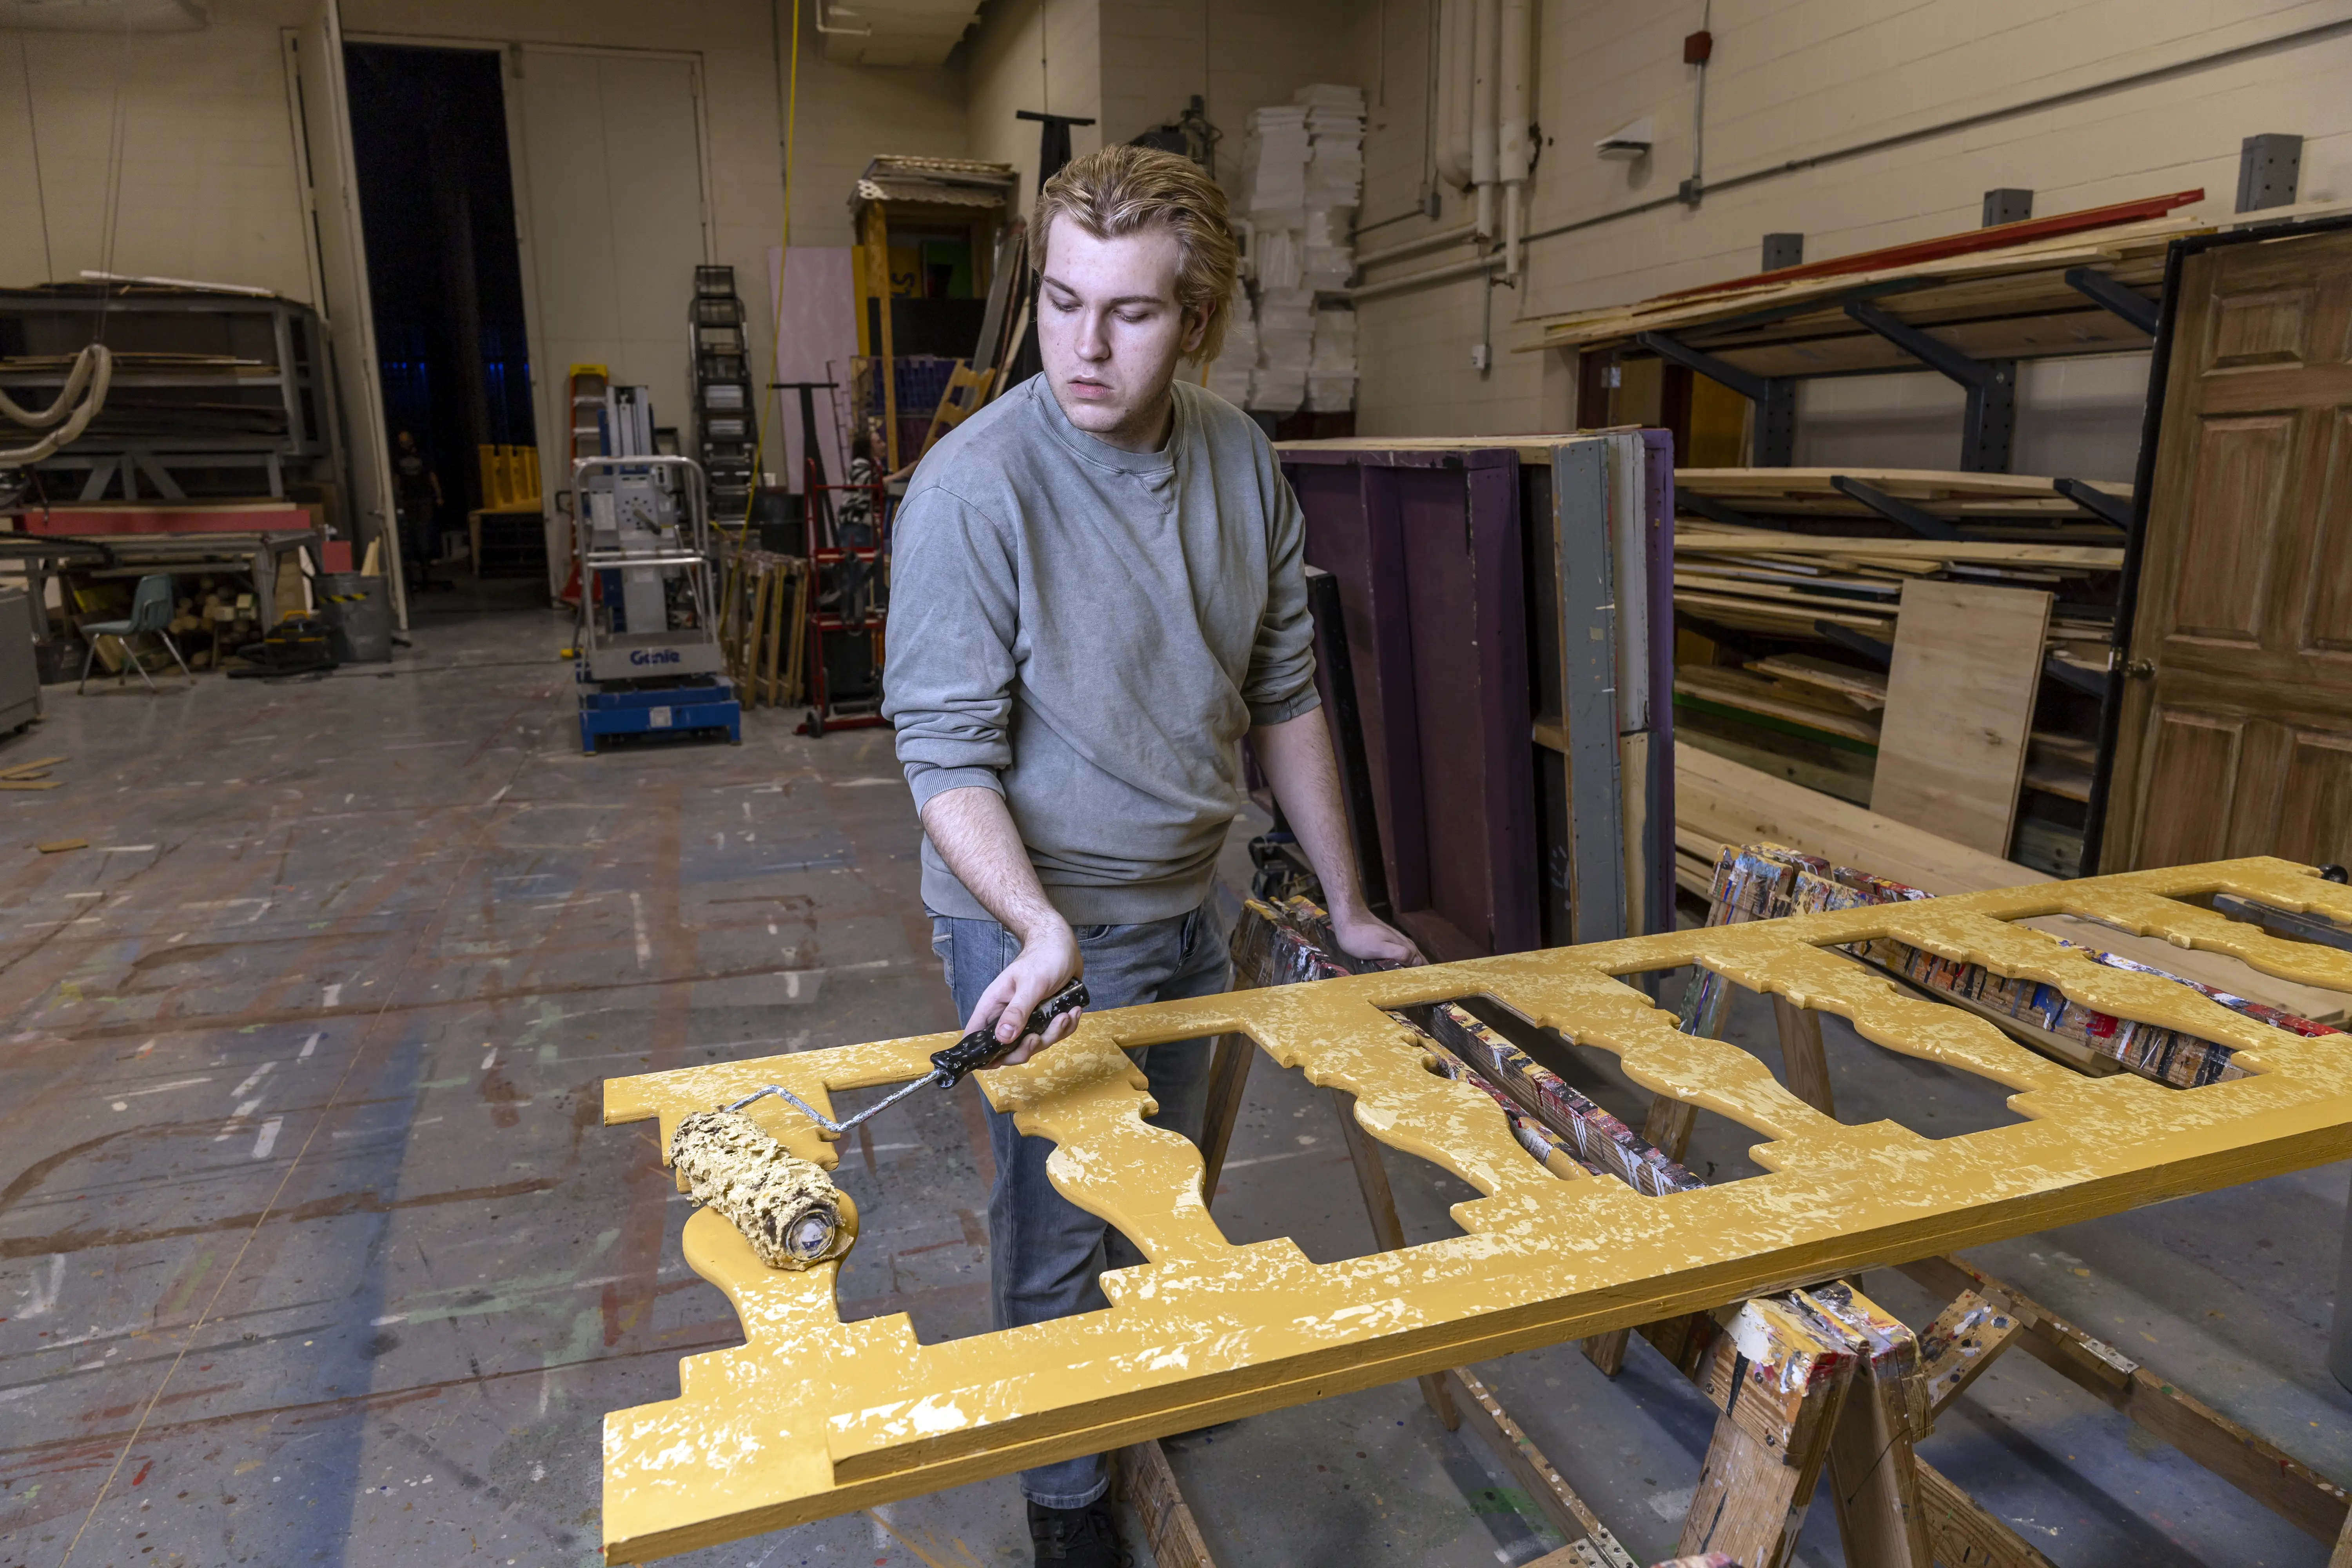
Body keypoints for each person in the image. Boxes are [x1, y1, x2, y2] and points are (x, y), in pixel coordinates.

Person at [882, 145, 1422, 1568]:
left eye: (1127, 312)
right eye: (1061, 304)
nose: (1083, 346)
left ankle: (1131, 1389)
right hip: (1041, 919)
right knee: (1057, 1225)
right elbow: (943, 753)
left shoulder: (1238, 457)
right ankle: (1068, 1503)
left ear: (1197, 319)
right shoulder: (972, 490)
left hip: (1195, 898)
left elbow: (1285, 691)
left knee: (1162, 1180)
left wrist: (1347, 902)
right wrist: (1035, 927)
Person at [392, 428, 443, 592]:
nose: (404, 445)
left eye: (406, 441)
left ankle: (427, 562)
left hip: (424, 498)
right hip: (409, 500)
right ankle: (417, 563)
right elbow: (397, 480)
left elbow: (431, 476)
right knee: (411, 531)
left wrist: (438, 495)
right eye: (401, 442)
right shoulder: (398, 460)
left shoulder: (423, 457)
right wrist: (396, 499)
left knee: (425, 530)